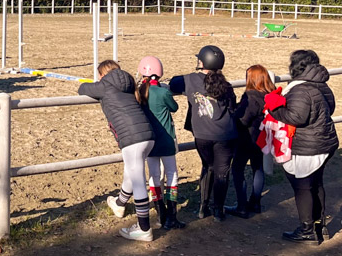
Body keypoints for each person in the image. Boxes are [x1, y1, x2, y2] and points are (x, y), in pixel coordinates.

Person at [264, 49, 338, 243]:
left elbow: (295, 117)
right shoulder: (322, 86)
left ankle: (307, 230)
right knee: (316, 183)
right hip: (324, 140)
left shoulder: (300, 89)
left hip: (308, 145)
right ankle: (320, 226)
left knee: (303, 186)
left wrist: (274, 108)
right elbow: (330, 108)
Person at [78, 59, 157, 241]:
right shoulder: (129, 83)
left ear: (103, 74)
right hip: (147, 135)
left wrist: (97, 83)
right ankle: (119, 203)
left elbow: (83, 89)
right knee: (131, 172)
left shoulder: (105, 85)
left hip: (131, 138)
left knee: (138, 181)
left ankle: (144, 228)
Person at [169, 45, 237, 222]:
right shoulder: (226, 84)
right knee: (222, 172)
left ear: (201, 62)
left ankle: (203, 207)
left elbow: (172, 83)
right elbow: (232, 107)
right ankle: (218, 211)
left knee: (208, 167)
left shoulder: (191, 80)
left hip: (203, 135)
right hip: (226, 135)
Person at [140, 56, 184, 230]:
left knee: (154, 176)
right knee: (172, 174)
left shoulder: (140, 92)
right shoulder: (163, 92)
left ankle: (160, 214)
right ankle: (172, 216)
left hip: (149, 139)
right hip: (166, 139)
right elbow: (174, 108)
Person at [230, 65, 270, 216]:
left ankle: (241, 206)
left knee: (238, 169)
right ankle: (256, 202)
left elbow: (244, 119)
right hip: (262, 137)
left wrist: (234, 113)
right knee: (258, 168)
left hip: (247, 138)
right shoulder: (269, 95)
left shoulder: (251, 96)